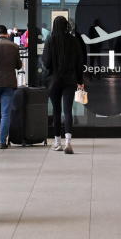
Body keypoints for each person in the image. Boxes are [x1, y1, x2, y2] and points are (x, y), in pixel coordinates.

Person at [41, 16, 84, 154]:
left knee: (56, 110)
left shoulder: (50, 41)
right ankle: (68, 142)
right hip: (70, 79)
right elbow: (79, 63)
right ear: (66, 26)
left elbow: (46, 63)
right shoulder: (74, 41)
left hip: (54, 80)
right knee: (68, 110)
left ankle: (57, 142)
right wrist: (80, 81)